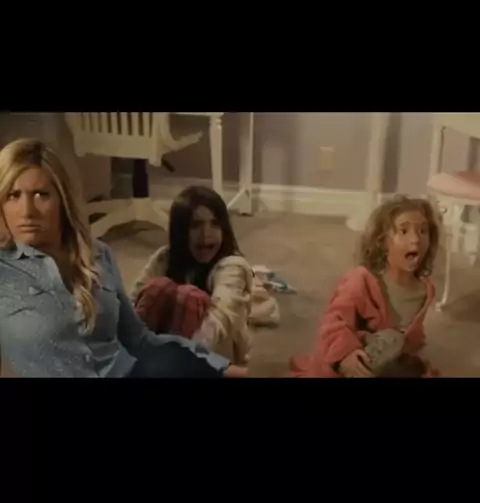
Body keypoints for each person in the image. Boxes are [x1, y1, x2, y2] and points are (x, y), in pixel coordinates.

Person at [0, 139, 247, 378]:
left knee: (176, 361)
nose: (27, 211)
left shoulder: (98, 253)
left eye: (41, 194)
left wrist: (220, 367)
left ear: (63, 199)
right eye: (13, 195)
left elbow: (139, 339)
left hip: (135, 372)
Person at [290, 195, 441, 378]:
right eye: (403, 231)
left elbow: (413, 335)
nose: (415, 239)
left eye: (423, 231)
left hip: (391, 363)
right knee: (391, 339)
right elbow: (333, 322)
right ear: (383, 241)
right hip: (355, 361)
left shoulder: (426, 290)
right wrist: (346, 354)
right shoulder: (361, 280)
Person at [131, 186, 279, 365]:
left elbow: (219, 318)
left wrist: (180, 356)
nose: (206, 234)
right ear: (180, 231)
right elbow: (135, 298)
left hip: (214, 350)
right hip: (167, 341)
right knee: (158, 288)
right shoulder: (165, 257)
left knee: (189, 298)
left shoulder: (234, 266)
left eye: (215, 224)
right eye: (195, 225)